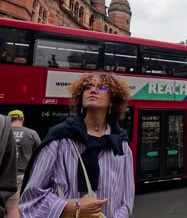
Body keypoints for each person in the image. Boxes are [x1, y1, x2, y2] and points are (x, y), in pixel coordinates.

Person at [20, 73, 134, 217]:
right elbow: (32, 197)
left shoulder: (121, 144)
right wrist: (74, 209)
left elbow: (127, 199)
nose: (93, 90)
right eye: (88, 87)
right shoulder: (59, 139)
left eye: (103, 88)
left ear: (113, 101)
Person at [5, 110, 41, 218]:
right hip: (22, 176)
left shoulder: (2, 133)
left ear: (8, 120)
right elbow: (41, 152)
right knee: (15, 208)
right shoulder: (31, 133)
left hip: (4, 175)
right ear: (23, 120)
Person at [0, 115, 17, 218]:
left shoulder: (4, 125)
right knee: (13, 207)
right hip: (19, 175)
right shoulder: (3, 125)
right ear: (22, 120)